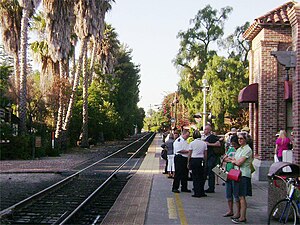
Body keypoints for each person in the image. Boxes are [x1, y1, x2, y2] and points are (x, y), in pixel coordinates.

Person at [230, 132, 253, 224]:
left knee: (242, 196)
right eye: (239, 139)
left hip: (243, 174)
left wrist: (234, 161)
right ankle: (238, 213)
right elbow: (231, 159)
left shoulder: (248, 149)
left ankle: (243, 216)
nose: (239, 140)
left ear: (245, 140)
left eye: (241, 139)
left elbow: (240, 162)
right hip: (237, 174)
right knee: (238, 195)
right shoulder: (239, 149)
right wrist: (234, 161)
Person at [222, 140, 240, 218]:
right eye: (232, 144)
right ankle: (230, 210)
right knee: (228, 193)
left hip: (236, 173)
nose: (233, 146)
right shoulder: (231, 149)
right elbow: (224, 158)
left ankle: (238, 212)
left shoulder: (240, 150)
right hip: (228, 172)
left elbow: (238, 161)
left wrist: (231, 160)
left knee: (236, 194)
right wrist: (231, 160)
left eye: (234, 144)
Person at [187, 130, 207, 197]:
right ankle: (201, 191)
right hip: (201, 160)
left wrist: (188, 162)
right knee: (201, 176)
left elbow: (190, 153)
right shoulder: (204, 143)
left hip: (194, 160)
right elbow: (205, 154)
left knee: (195, 177)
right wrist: (205, 161)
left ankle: (196, 192)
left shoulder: (192, 143)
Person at [203, 124, 221, 193]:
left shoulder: (212, 137)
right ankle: (201, 186)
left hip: (212, 157)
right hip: (208, 157)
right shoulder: (207, 137)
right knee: (205, 172)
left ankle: (211, 188)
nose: (204, 130)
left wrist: (208, 144)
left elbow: (218, 143)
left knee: (210, 173)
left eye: (206, 129)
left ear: (209, 130)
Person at [172, 129, 191, 193]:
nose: (187, 137)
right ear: (183, 134)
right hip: (179, 158)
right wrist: (188, 151)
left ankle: (184, 187)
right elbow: (179, 150)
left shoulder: (186, 141)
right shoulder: (178, 141)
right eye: (187, 135)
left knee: (185, 174)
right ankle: (175, 187)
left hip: (185, 158)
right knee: (178, 173)